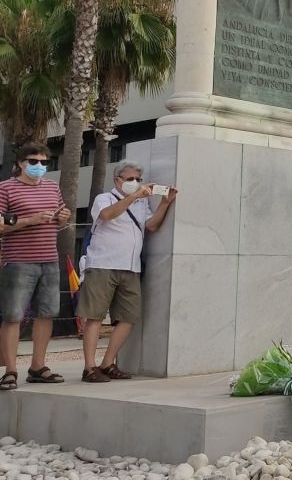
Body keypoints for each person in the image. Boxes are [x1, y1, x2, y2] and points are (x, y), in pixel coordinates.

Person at [78, 163, 177, 383]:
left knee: (129, 317)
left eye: (138, 179)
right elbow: (106, 215)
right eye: (130, 178)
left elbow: (151, 226)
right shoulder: (104, 198)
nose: (135, 182)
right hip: (103, 265)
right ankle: (89, 367)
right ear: (117, 180)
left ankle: (108, 363)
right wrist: (134, 197)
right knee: (94, 316)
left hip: (131, 267)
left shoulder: (142, 203)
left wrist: (164, 203)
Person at [0, 143, 71, 390]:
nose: (39, 166)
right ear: (20, 163)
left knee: (46, 313)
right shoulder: (6, 188)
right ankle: (10, 370)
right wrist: (29, 220)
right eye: (33, 161)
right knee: (13, 316)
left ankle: (38, 366)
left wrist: (64, 216)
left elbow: (61, 212)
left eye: (43, 162)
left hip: (50, 259)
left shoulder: (52, 187)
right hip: (18, 261)